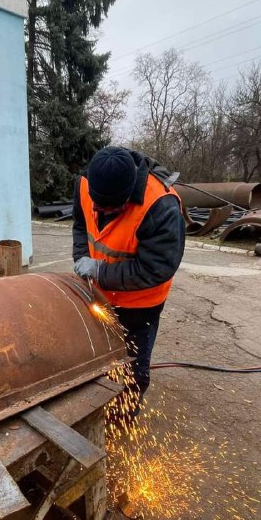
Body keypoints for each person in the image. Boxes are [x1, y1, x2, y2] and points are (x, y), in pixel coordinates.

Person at [72, 146, 185, 416]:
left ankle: (125, 413)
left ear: (127, 196)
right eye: (97, 204)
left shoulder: (161, 205)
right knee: (97, 351)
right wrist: (81, 258)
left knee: (133, 365)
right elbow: (79, 225)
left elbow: (155, 268)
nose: (100, 211)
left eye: (108, 208)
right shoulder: (85, 184)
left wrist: (100, 271)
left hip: (140, 305)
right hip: (98, 295)